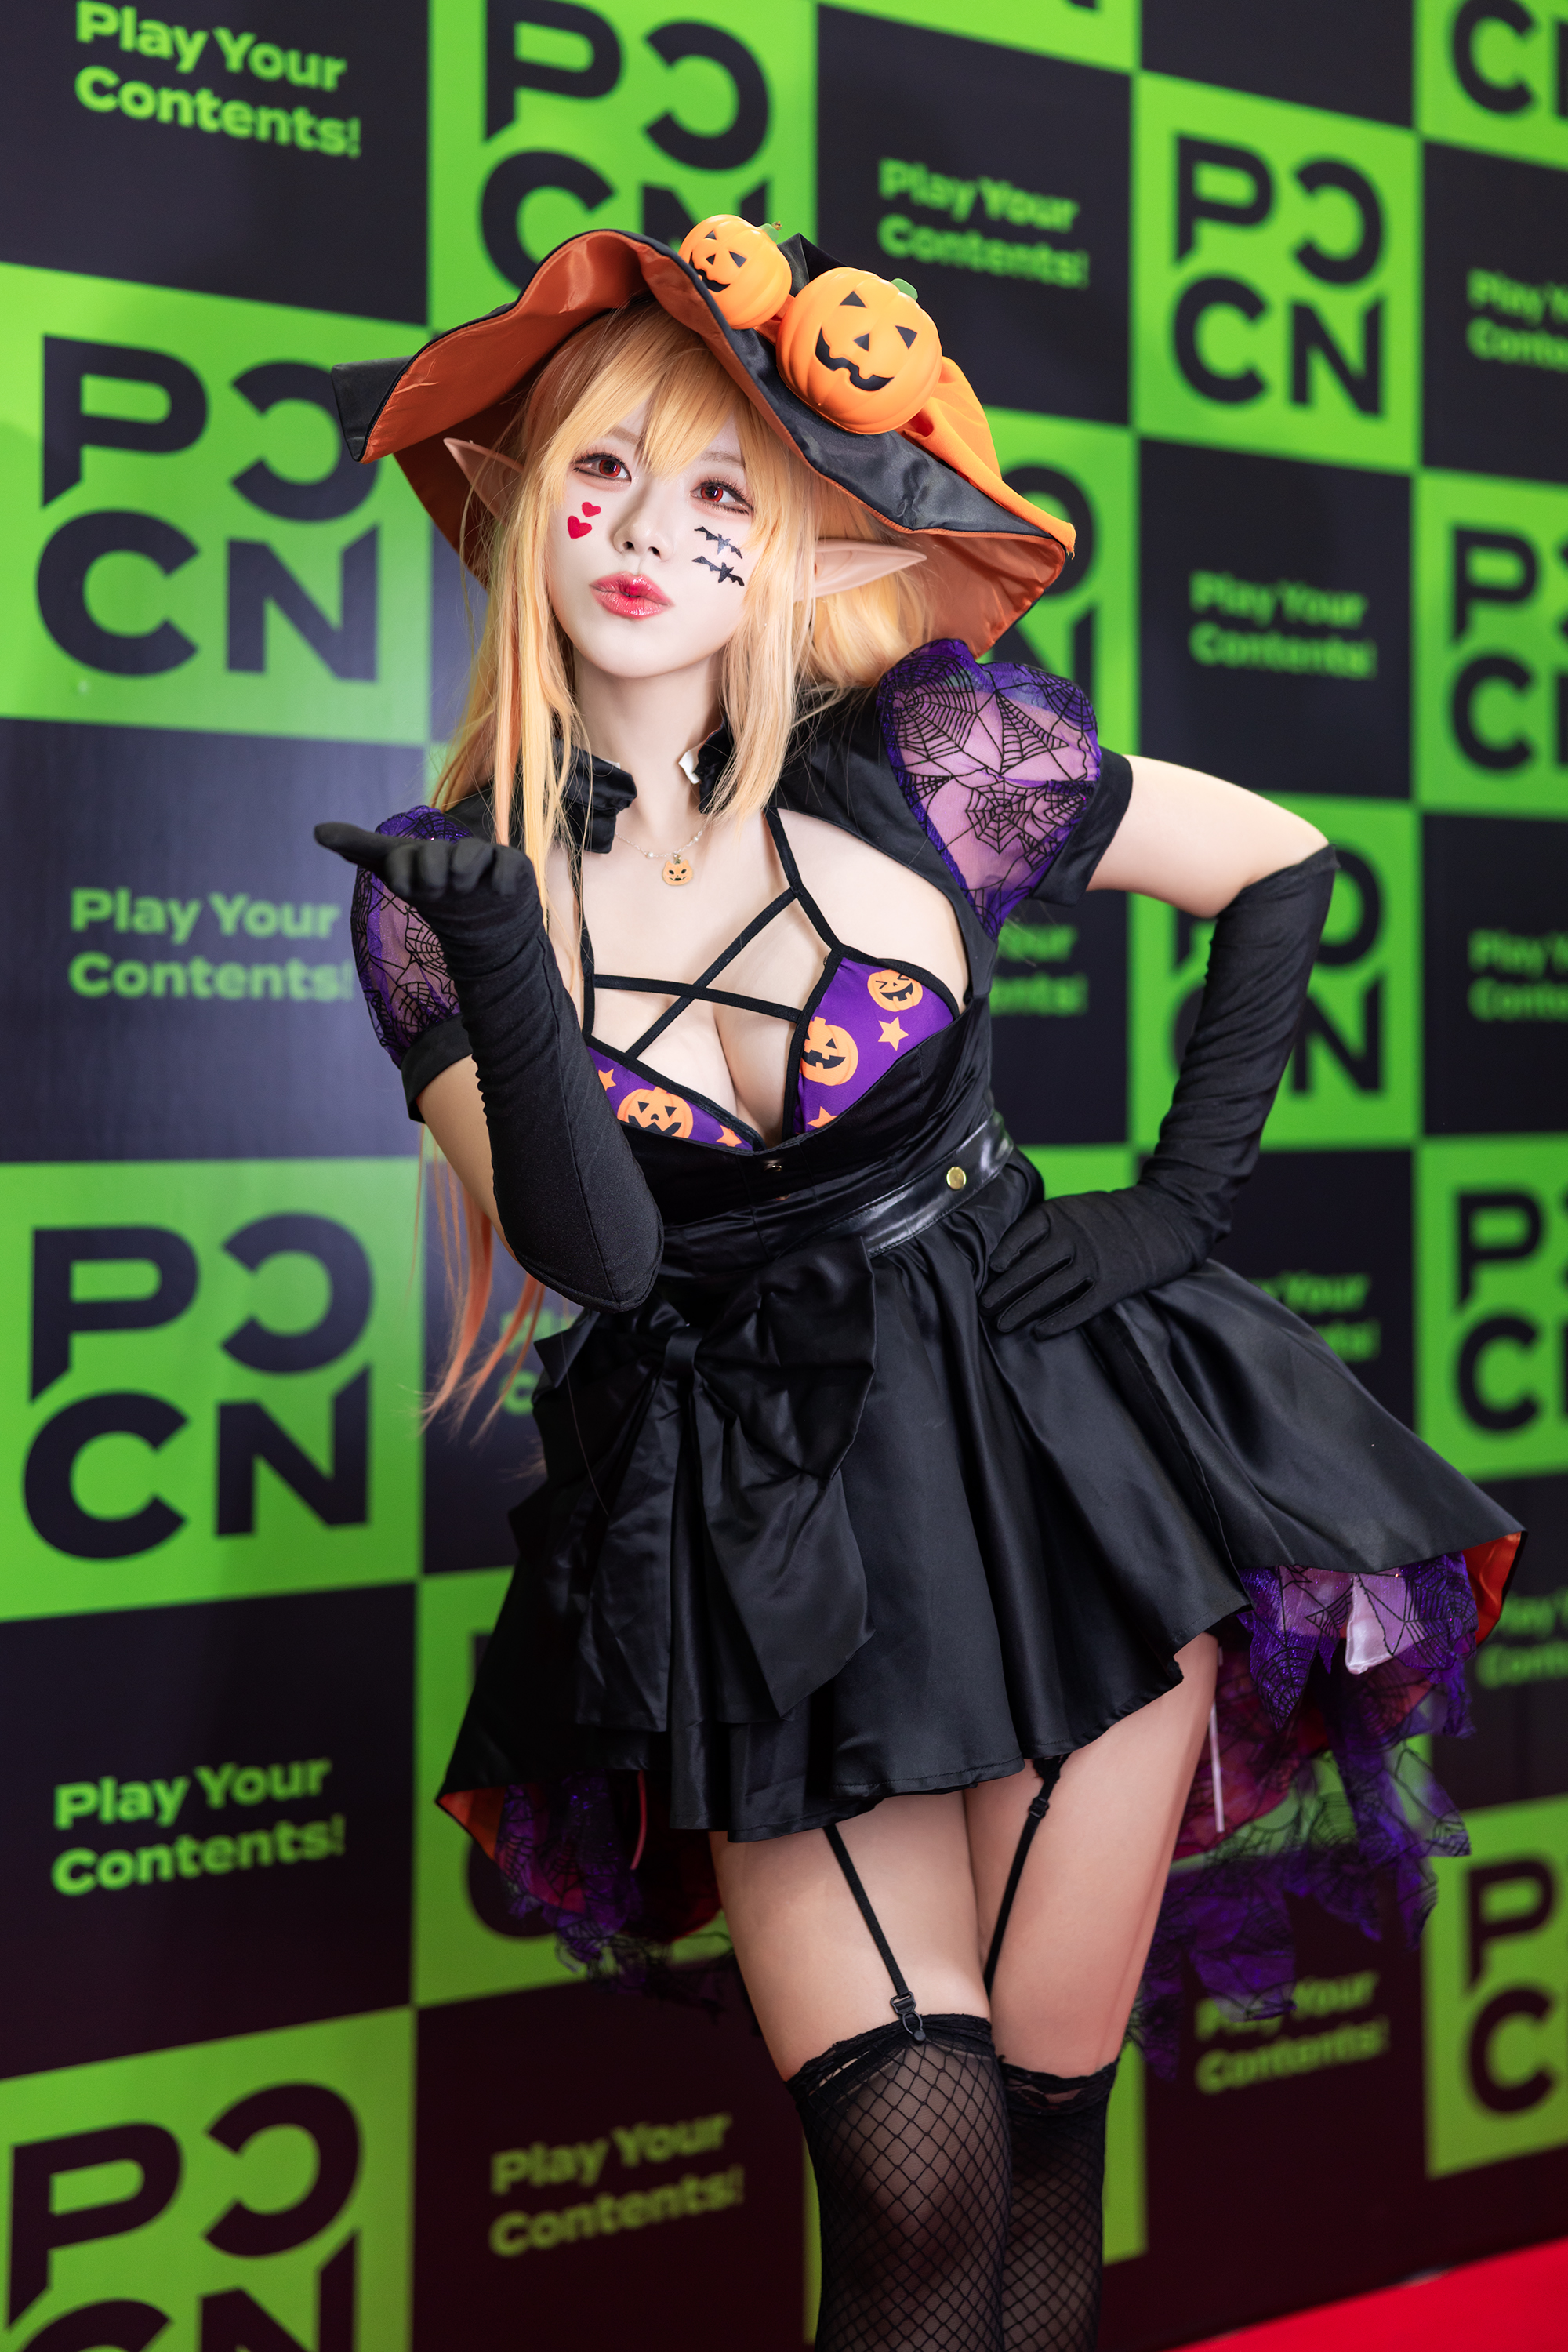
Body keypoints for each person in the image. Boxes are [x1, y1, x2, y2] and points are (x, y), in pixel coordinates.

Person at [319, 225, 1520, 2352]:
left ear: (795, 539)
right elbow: (603, 1259)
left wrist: (1171, 1213)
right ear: (521, 507)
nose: (649, 535)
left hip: (1051, 1462)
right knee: (914, 2165)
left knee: (1042, 2139)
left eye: (718, 490)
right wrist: (504, 951)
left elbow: (1280, 867)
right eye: (601, 473)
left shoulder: (932, 757)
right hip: (760, 1532)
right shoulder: (440, 897)